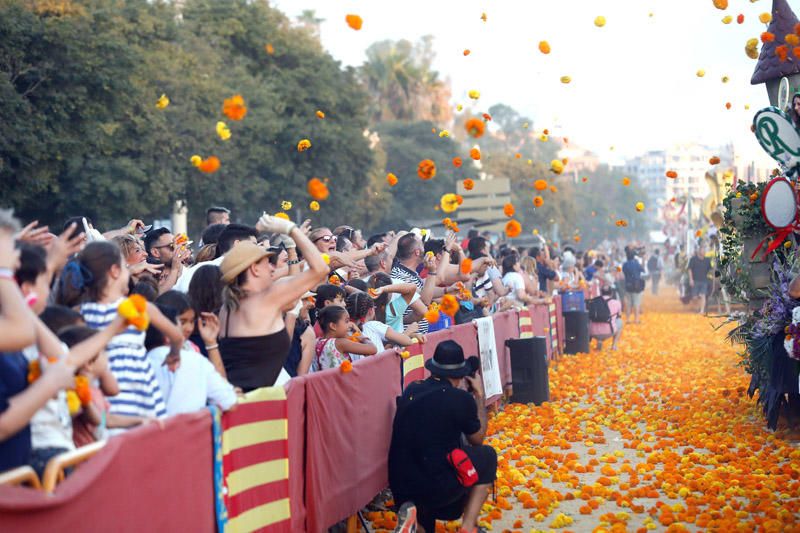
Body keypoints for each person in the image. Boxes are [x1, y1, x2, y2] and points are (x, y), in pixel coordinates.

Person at [58, 241, 185, 433]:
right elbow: (176, 336)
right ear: (115, 271)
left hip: (104, 398)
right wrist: (174, 354)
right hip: (142, 394)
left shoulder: (79, 313)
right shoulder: (138, 308)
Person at [389, 340, 496, 533]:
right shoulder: (461, 399)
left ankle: (415, 523)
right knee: (487, 456)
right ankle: (468, 527)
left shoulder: (412, 389)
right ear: (461, 375)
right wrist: (479, 396)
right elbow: (477, 439)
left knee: (425, 508)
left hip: (402, 488)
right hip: (436, 485)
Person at [218, 215, 327, 391]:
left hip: (236, 403)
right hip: (259, 408)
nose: (273, 268)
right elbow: (321, 268)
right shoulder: (266, 299)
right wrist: (291, 229)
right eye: (267, 263)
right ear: (254, 268)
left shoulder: (227, 307)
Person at [145, 305, 237, 416]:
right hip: (190, 432)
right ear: (169, 334)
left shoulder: (136, 363)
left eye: (192, 321)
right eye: (181, 323)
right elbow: (229, 402)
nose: (188, 329)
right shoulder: (196, 361)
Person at [313, 305, 377, 371]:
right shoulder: (340, 343)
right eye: (346, 321)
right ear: (333, 326)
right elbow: (373, 349)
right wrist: (362, 337)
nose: (350, 325)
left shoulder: (317, 341)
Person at [588, 286, 623, 351]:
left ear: (601, 293)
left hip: (593, 332)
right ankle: (614, 346)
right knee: (620, 321)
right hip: (609, 331)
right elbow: (619, 315)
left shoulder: (593, 301)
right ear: (611, 293)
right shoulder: (616, 303)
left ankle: (599, 340)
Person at [621, 249, 645, 324]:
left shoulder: (625, 264)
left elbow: (621, 271)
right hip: (636, 285)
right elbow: (643, 270)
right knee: (636, 303)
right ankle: (636, 319)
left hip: (628, 285)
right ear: (634, 256)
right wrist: (643, 260)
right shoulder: (636, 263)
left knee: (629, 303)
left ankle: (628, 319)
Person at [688, 244, 712, 315]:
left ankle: (702, 310)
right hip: (695, 280)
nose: (704, 252)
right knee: (695, 297)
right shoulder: (693, 259)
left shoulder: (707, 260)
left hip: (704, 280)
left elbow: (710, 270)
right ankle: (698, 307)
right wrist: (691, 279)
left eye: (705, 251)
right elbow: (689, 269)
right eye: (702, 251)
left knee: (702, 295)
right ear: (699, 251)